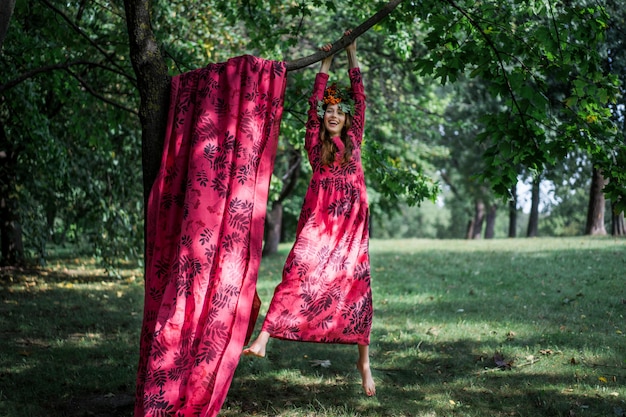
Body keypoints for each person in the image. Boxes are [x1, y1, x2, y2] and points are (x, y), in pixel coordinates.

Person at [244, 32, 375, 397]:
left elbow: (360, 99)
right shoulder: (315, 148)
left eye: (339, 112)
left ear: (348, 120)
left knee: (356, 290)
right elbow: (313, 105)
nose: (333, 114)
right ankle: (263, 339)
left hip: (349, 230)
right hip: (318, 225)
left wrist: (351, 54)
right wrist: (325, 64)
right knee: (297, 270)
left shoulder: (355, 141)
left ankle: (363, 363)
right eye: (328, 111)